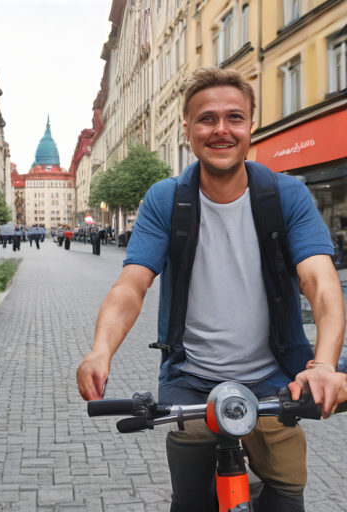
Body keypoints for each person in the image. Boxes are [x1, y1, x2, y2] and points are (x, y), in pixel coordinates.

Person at [76, 66, 347, 512]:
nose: (221, 129)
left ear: (251, 126)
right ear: (187, 130)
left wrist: (324, 365)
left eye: (234, 118)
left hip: (274, 379)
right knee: (191, 500)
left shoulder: (286, 196)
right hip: (191, 379)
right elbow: (131, 286)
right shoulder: (166, 200)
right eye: (207, 119)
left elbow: (319, 281)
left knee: (285, 494)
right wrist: (100, 350)